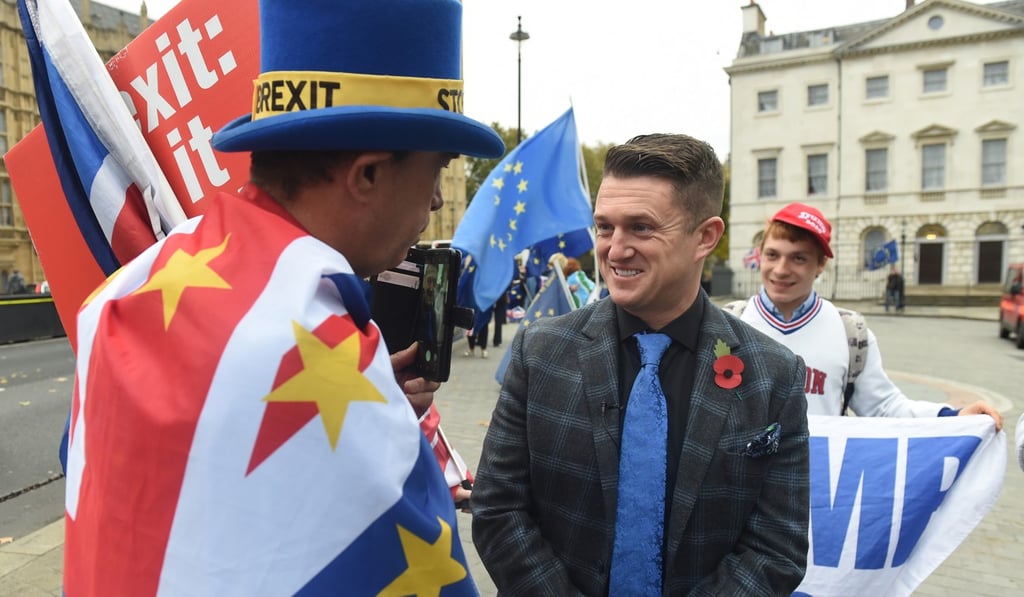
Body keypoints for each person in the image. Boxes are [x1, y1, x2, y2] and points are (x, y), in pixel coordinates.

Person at [61, 1, 504, 594]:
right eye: (437, 169)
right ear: (367, 173)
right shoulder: (320, 347)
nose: (435, 203)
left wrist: (365, 398)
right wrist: (362, 408)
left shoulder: (128, 287)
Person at [472, 134, 811, 595]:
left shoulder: (775, 375)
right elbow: (498, 510)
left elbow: (776, 548)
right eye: (605, 227)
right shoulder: (540, 351)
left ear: (705, 237)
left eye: (642, 228)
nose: (615, 249)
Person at [731, 202, 1002, 428]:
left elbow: (883, 407)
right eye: (772, 255)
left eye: (798, 258)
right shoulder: (729, 323)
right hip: (740, 488)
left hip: (820, 485)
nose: (780, 269)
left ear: (821, 265)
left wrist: (954, 418)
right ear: (760, 255)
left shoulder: (850, 332)